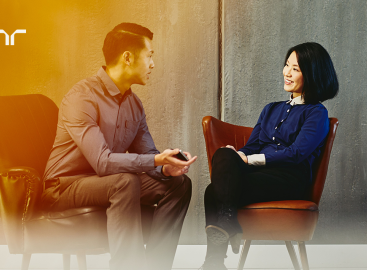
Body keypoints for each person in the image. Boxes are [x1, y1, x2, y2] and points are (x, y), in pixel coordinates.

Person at [41, 22, 197, 270]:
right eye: (149, 56)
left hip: (106, 182)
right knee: (125, 181)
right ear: (127, 57)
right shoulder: (81, 97)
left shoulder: (134, 105)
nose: (153, 65)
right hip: (64, 186)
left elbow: (148, 155)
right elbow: (103, 162)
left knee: (178, 184)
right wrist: (156, 161)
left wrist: (166, 167)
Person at [200, 42, 339, 270]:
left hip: (289, 179)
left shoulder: (317, 113)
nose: (286, 72)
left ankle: (213, 263)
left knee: (213, 191)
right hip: (260, 176)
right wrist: (236, 155)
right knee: (224, 154)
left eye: (295, 68)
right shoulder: (270, 109)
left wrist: (249, 160)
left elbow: (296, 154)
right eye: (286, 65)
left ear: (312, 73)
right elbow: (251, 146)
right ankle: (224, 233)